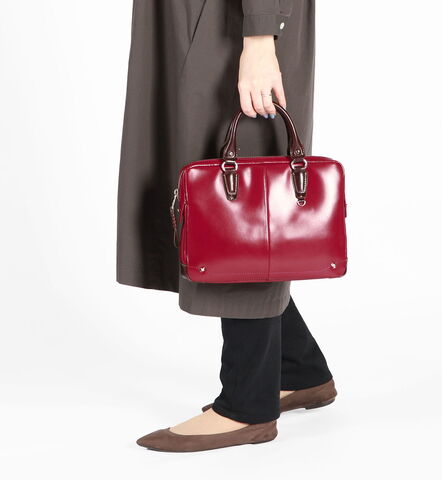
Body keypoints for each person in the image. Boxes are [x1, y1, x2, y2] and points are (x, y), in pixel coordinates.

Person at [117, 0, 336, 452]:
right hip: (197, 22)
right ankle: (299, 369)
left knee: (239, 207)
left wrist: (260, 37)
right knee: (210, 206)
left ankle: (247, 406)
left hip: (229, 23)